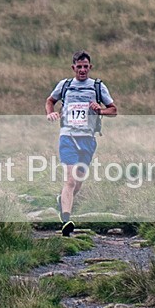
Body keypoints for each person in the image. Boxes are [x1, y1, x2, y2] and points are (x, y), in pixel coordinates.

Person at [45, 51, 117, 236]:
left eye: (86, 66)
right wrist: (51, 113)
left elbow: (113, 110)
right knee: (69, 180)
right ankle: (66, 220)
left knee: (78, 182)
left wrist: (99, 110)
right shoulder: (65, 85)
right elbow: (50, 101)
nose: (82, 70)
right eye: (79, 67)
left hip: (88, 139)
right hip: (67, 136)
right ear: (73, 68)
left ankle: (62, 200)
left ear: (90, 67)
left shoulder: (98, 86)